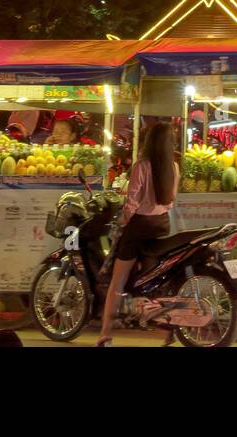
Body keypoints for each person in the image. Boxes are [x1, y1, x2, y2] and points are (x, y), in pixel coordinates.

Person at [96, 122, 177, 347]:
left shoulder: (142, 166)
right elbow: (171, 201)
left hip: (140, 226)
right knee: (155, 279)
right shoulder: (173, 167)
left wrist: (122, 221)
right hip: (162, 225)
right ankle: (168, 329)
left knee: (117, 281)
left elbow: (131, 204)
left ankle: (105, 334)